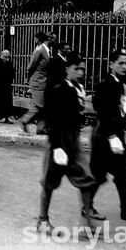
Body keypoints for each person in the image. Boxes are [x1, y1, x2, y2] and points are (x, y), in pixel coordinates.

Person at [37, 53, 100, 234]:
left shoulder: (79, 88)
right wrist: (57, 147)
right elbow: (52, 119)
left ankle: (88, 222)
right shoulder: (58, 88)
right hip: (59, 139)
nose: (80, 72)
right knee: (49, 181)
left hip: (74, 141)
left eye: (82, 69)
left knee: (86, 178)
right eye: (76, 68)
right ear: (67, 69)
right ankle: (43, 220)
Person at [90, 49, 126, 221]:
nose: (124, 66)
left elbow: (119, 112)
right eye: (120, 63)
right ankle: (87, 205)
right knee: (100, 175)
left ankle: (125, 209)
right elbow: (102, 112)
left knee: (121, 174)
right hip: (105, 136)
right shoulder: (105, 84)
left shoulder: (120, 83)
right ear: (111, 64)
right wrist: (112, 136)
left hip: (115, 134)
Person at [17, 32, 51, 135]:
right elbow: (30, 66)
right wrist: (28, 79)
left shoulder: (45, 49)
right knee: (38, 105)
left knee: (41, 105)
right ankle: (24, 121)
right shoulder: (39, 50)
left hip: (42, 81)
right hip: (38, 81)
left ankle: (40, 128)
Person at [0, 50, 14, 124]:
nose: (6, 59)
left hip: (7, 85)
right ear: (1, 56)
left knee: (7, 101)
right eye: (5, 57)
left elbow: (12, 72)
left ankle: (7, 117)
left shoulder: (9, 63)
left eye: (8, 57)